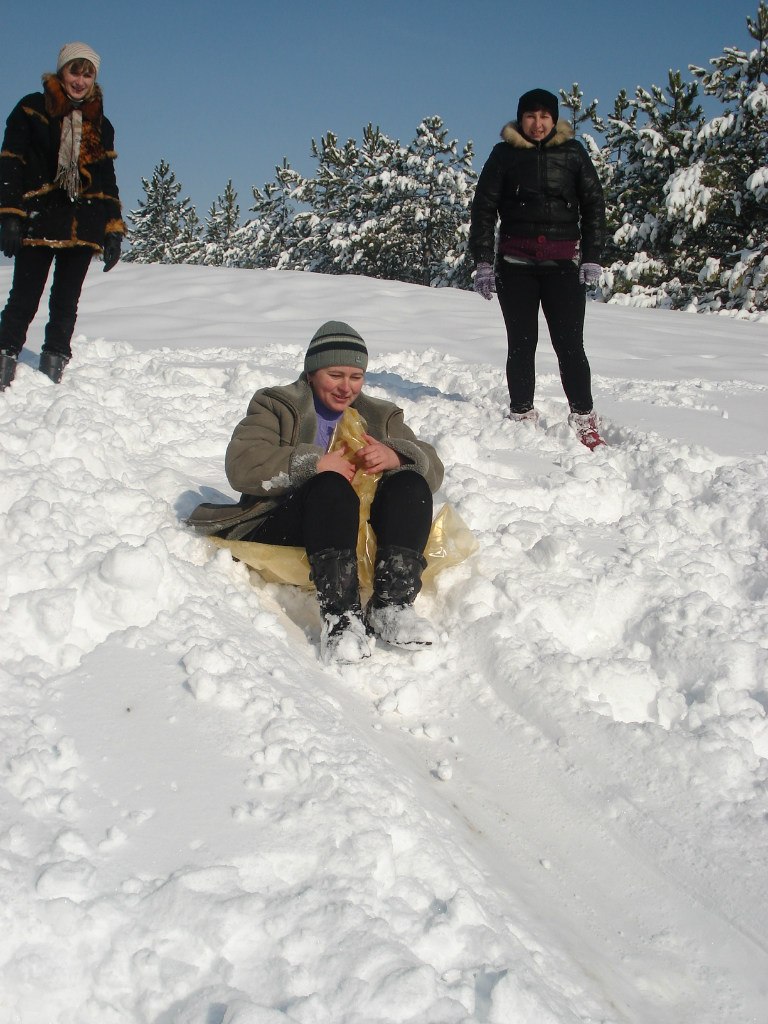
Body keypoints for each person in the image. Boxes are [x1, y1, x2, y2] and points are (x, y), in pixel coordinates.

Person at [188, 321, 445, 665]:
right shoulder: (278, 405)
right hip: (287, 523)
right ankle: (341, 616)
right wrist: (313, 464)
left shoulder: (379, 416)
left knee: (410, 482)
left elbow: (433, 468)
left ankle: (392, 604)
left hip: (353, 531)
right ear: (311, 373)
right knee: (330, 486)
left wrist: (396, 456)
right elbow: (242, 463)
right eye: (335, 375)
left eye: (356, 377)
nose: (346, 387)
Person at [469, 88, 607, 449]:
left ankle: (584, 416)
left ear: (554, 119)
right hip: (516, 266)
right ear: (520, 119)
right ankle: (521, 414)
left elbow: (594, 205)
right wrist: (483, 261)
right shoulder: (503, 155)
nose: (538, 123)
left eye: (545, 116)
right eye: (530, 116)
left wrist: (592, 255)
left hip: (563, 266)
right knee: (521, 343)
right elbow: (484, 208)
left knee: (569, 344)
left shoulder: (573, 153)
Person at [0, 42, 126, 391]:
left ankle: (53, 370)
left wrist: (113, 229)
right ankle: (4, 359)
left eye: (88, 75)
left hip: (84, 223)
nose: (80, 81)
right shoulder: (31, 109)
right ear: (62, 71)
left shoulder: (100, 123)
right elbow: (11, 162)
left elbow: (106, 180)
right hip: (39, 217)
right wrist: (10, 214)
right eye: (75, 72)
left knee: (66, 302)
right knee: (24, 296)